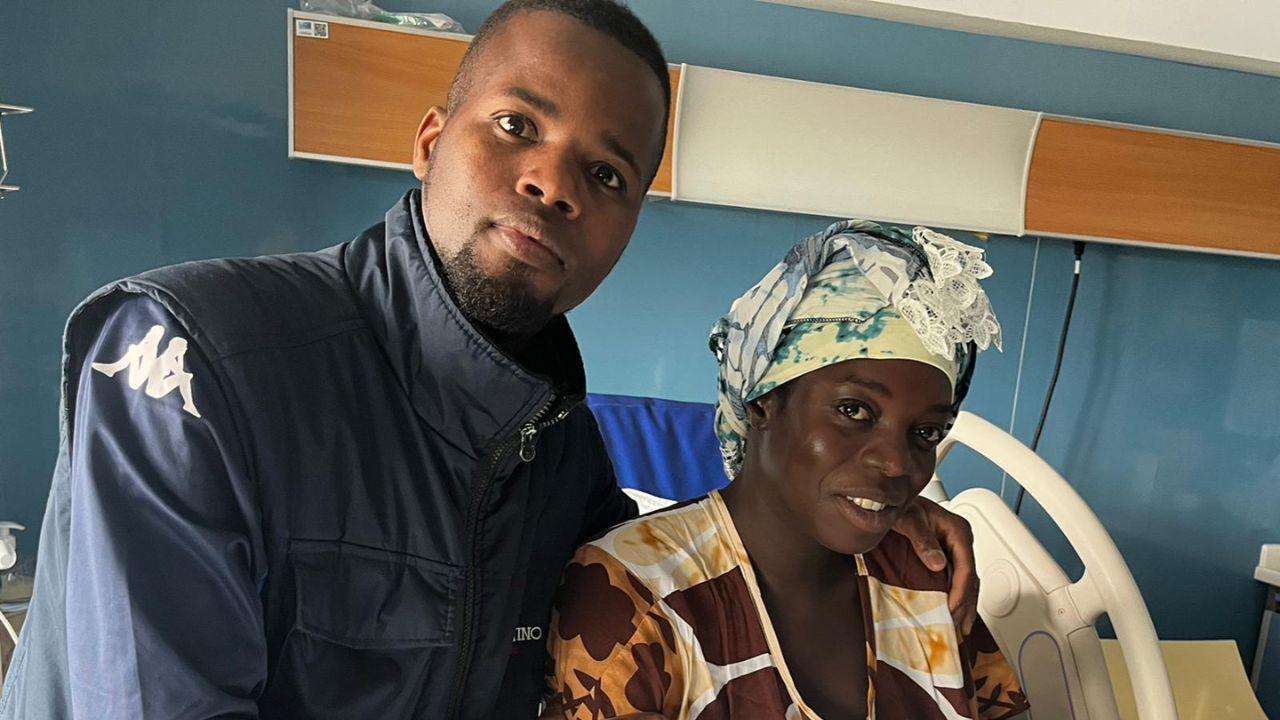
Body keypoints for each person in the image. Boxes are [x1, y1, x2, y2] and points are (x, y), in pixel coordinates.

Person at [1, 2, 980, 718]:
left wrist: (868, 505)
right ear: (430, 141)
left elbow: (675, 566)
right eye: (517, 126)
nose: (553, 182)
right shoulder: (196, 362)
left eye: (606, 173)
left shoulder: (556, 453)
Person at [548, 220, 1029, 719]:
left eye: (926, 432)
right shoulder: (634, 594)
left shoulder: (922, 575)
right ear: (762, 402)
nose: (895, 462)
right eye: (854, 411)